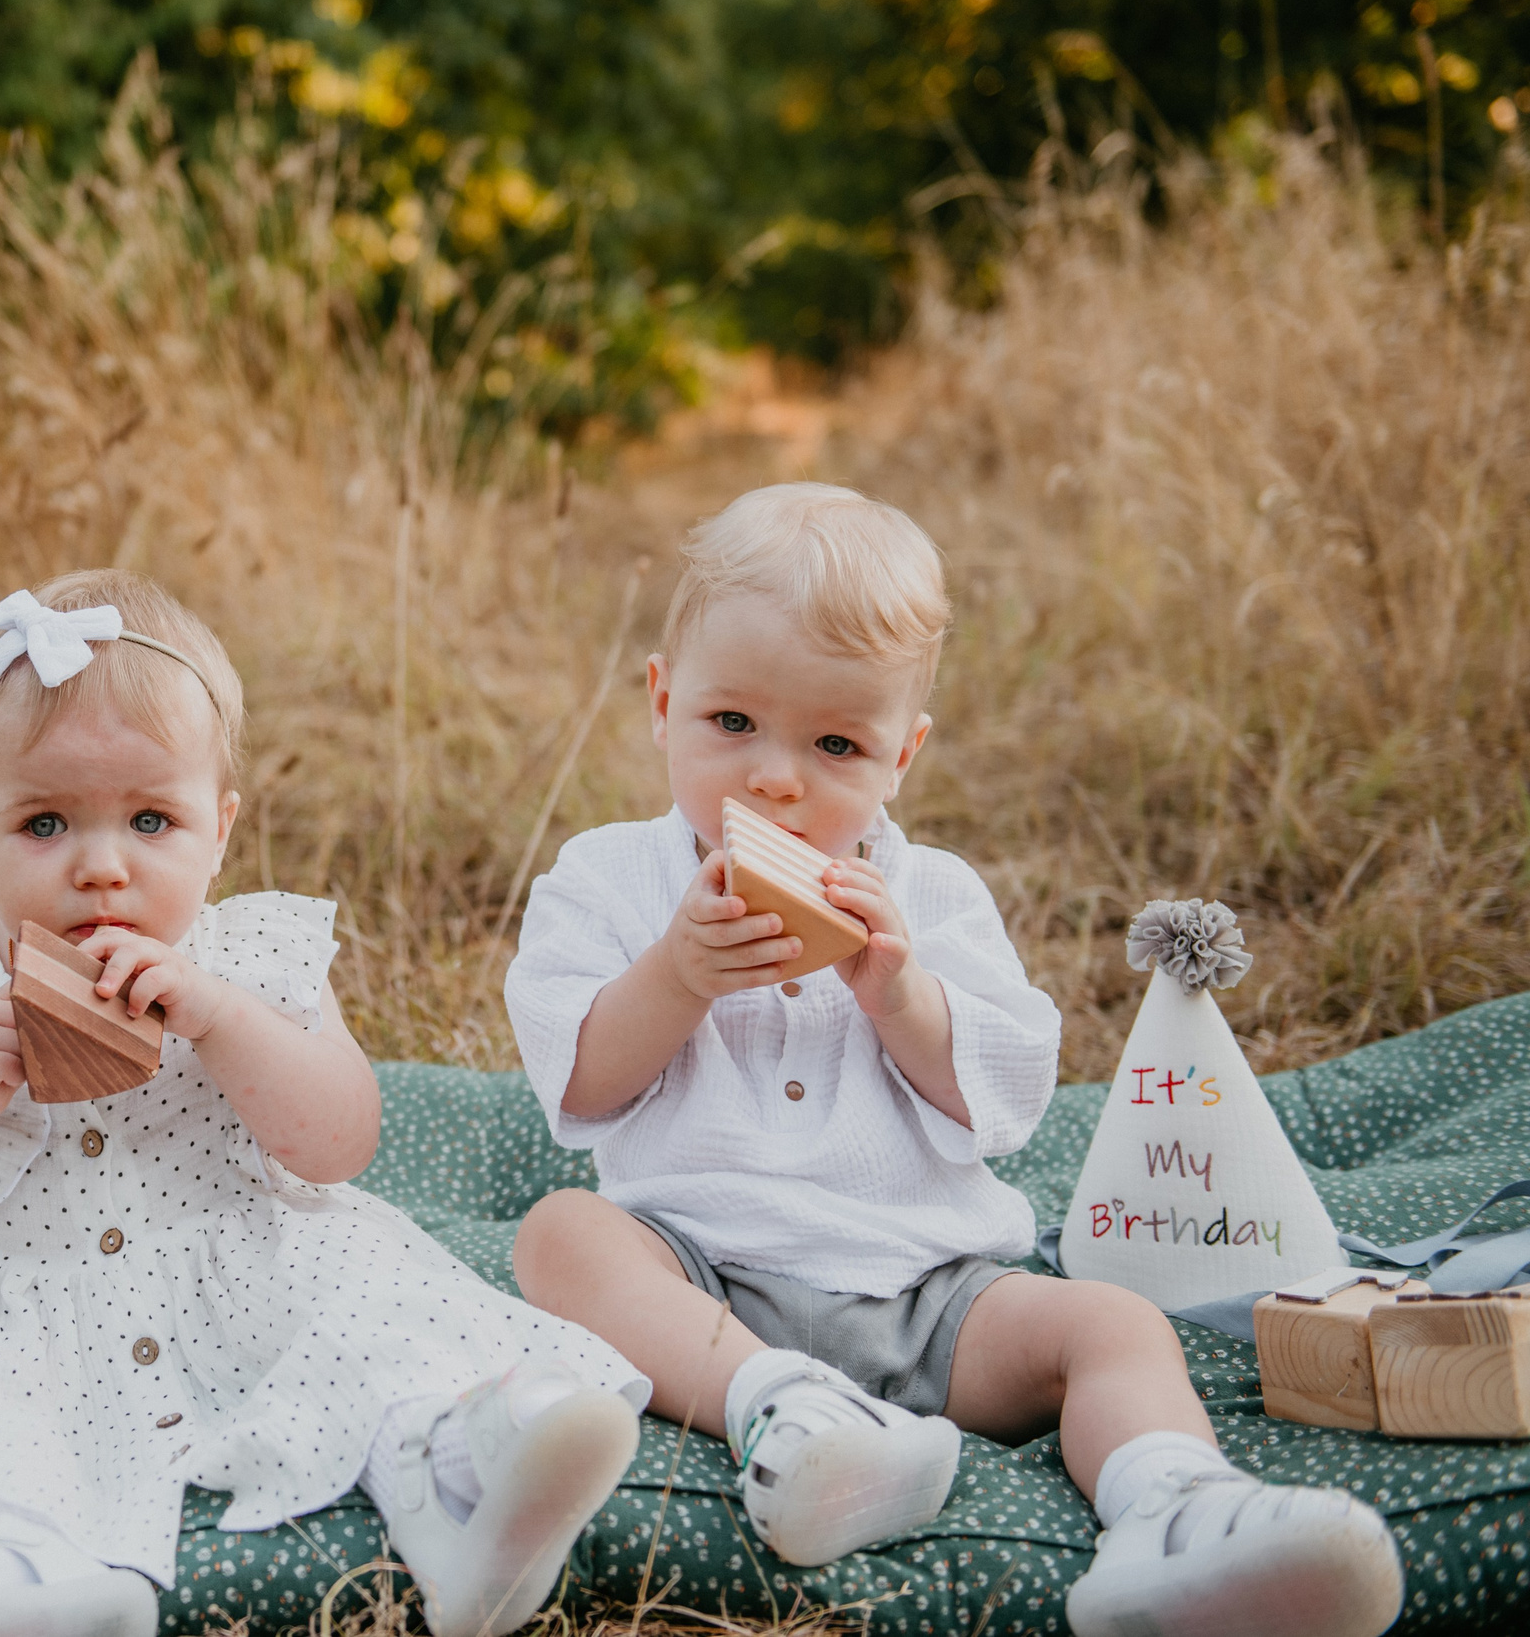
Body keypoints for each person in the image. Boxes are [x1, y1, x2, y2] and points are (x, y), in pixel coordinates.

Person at [0, 570, 648, 1637]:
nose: (100, 868)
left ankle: (463, 1475)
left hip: (250, 1259)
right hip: (14, 1301)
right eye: (43, 823)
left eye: (149, 819)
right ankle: (6, 1575)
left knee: (370, 1328)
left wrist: (222, 1020)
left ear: (218, 829)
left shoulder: (248, 954)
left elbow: (338, 1143)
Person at [504, 485, 1405, 1637]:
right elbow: (579, 1084)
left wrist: (900, 994)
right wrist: (676, 977)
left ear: (903, 756)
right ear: (663, 701)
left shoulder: (931, 898)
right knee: (561, 1238)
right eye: (732, 723)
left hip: (933, 1304)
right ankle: (787, 1416)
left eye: (836, 744)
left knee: (1112, 1327)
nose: (776, 777)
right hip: (706, 1287)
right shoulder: (606, 878)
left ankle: (1172, 1509)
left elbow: (1010, 1096)